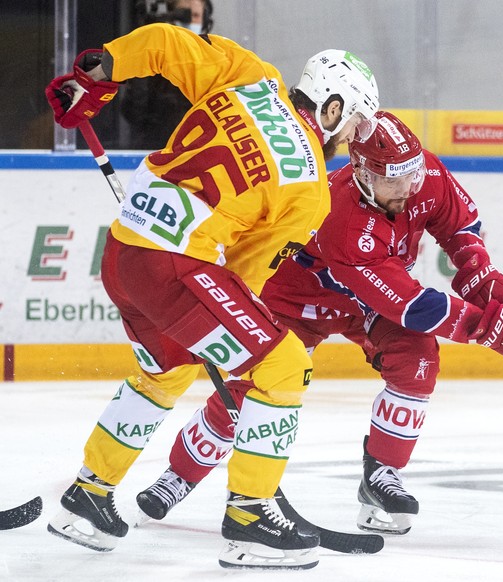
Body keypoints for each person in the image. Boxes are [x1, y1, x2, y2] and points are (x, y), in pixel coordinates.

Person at [44, 21, 379, 570]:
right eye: (354, 120)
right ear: (333, 106)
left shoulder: (253, 78)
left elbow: (168, 43)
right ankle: (250, 514)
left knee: (165, 372)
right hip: (173, 267)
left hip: (123, 254)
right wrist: (247, 347)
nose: (348, 137)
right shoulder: (311, 186)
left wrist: (101, 72)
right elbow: (245, 275)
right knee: (284, 366)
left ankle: (88, 494)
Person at [132, 111, 503, 536]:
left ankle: (380, 478)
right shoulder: (342, 219)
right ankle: (180, 474)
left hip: (366, 303)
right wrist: (491, 328)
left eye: (412, 174)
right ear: (362, 174)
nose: (407, 187)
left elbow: (460, 226)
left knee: (417, 358)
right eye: (393, 179)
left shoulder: (421, 175)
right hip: (297, 301)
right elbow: (411, 306)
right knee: (253, 392)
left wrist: (480, 275)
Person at [120, 0, 214, 149]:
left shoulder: (216, 57)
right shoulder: (157, 59)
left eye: (195, 15)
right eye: (183, 15)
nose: (189, 21)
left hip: (199, 151)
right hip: (155, 149)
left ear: (206, 19)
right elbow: (132, 113)